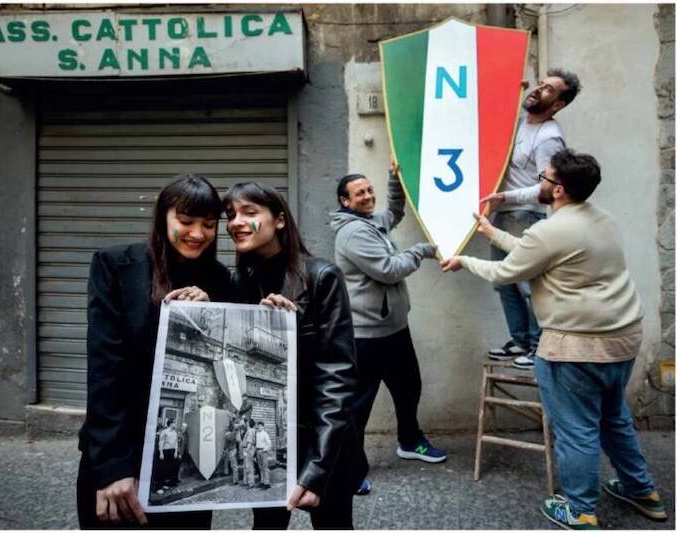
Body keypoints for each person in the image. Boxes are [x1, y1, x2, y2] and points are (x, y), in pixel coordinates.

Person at [441, 149, 667, 529]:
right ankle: (642, 491)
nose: (538, 184)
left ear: (558, 189)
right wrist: (492, 231)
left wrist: (464, 260)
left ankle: (579, 511)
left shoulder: (550, 231)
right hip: (623, 339)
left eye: (543, 179)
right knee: (614, 419)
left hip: (576, 347)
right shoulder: (603, 219)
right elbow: (543, 252)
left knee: (576, 430)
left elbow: (505, 273)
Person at [77, 174, 231, 529]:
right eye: (186, 221)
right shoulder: (116, 265)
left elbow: (227, 353)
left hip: (188, 465)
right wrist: (113, 467)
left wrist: (211, 310)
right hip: (120, 452)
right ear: (164, 217)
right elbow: (105, 369)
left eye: (208, 225)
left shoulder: (219, 278)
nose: (198, 234)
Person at [224, 182, 367, 529]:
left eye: (249, 212)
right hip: (271, 448)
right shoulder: (238, 282)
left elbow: (337, 379)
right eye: (230, 215)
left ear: (280, 220)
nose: (236, 222)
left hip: (325, 447)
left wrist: (317, 469)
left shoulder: (322, 277)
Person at [330, 160, 445, 496]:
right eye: (359, 193)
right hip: (366, 335)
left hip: (394, 328)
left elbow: (393, 211)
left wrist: (395, 177)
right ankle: (348, 470)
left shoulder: (371, 222)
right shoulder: (352, 233)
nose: (367, 196)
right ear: (345, 201)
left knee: (409, 387)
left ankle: (410, 441)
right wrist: (422, 250)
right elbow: (388, 269)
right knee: (358, 405)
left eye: (369, 190)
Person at [480, 68, 582, 370]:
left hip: (525, 217)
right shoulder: (523, 123)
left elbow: (546, 188)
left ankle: (538, 346)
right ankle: (521, 341)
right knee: (504, 281)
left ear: (558, 105)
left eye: (548, 89)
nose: (539, 90)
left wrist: (505, 197)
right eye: (540, 84)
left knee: (526, 285)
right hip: (504, 216)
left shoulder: (549, 138)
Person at [158, 419, 179, 491]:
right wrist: (161, 453)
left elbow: (176, 442)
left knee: (172, 467)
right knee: (164, 468)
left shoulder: (175, 432)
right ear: (170, 424)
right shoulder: (164, 432)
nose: (175, 424)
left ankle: (170, 483)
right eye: (174, 423)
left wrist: (176, 452)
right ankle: (162, 484)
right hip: (165, 451)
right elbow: (161, 442)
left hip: (172, 451)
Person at [254, 421, 273, 489]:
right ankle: (262, 482)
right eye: (258, 426)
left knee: (265, 467)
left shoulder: (265, 434)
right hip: (258, 451)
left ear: (263, 427)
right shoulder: (257, 434)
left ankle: (267, 483)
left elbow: (269, 443)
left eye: (261, 426)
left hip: (263, 451)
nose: (259, 427)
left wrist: (265, 450)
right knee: (260, 467)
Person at [242, 418, 258, 489]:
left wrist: (246, 451)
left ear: (250, 423)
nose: (246, 423)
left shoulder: (250, 431)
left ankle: (251, 483)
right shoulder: (250, 430)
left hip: (248, 449)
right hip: (248, 449)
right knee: (246, 466)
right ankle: (247, 482)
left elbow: (250, 442)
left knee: (249, 466)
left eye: (247, 422)